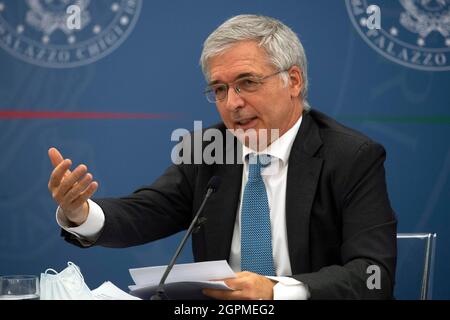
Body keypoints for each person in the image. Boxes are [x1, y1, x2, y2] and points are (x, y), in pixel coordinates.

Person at [47, 15, 397, 300]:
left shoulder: (351, 157)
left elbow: (372, 274)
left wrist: (279, 291)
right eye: (219, 89)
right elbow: (147, 212)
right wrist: (81, 213)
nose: (232, 103)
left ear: (293, 81)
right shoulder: (209, 150)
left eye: (247, 82)